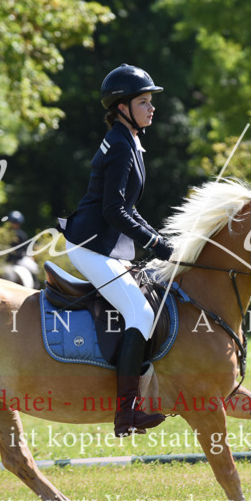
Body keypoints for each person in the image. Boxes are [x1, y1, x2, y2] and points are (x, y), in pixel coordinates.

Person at [59, 64, 175, 437]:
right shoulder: (123, 146)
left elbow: (128, 207)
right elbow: (113, 211)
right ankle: (127, 413)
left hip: (108, 244)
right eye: (144, 101)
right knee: (140, 314)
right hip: (91, 245)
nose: (152, 107)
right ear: (123, 107)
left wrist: (158, 238)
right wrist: (155, 243)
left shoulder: (129, 140)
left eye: (150, 101)